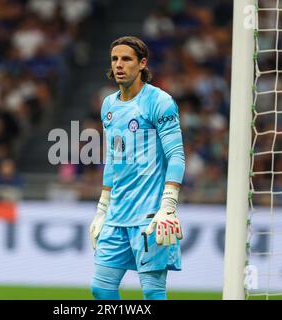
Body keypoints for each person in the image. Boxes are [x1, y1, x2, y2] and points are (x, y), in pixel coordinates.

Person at [89, 36, 185, 300]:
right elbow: (113, 157)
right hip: (116, 214)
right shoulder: (108, 105)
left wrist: (168, 205)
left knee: (152, 293)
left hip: (150, 215)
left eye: (127, 59)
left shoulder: (159, 101)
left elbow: (176, 154)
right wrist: (102, 209)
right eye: (115, 59)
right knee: (101, 288)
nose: (119, 65)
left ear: (142, 63)